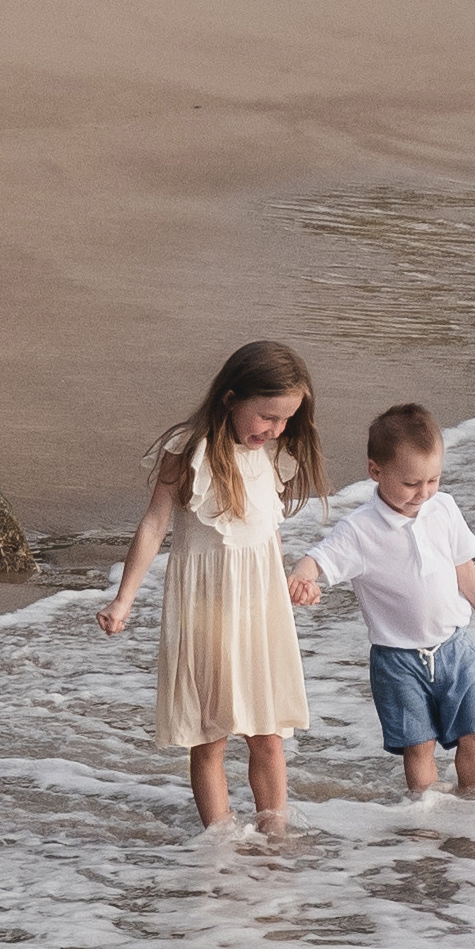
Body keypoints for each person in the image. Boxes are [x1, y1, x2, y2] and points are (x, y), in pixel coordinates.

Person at [96, 340, 328, 829]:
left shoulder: (274, 453)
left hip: (260, 611)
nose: (276, 429)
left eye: (286, 419)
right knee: (209, 738)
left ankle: (274, 836)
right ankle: (219, 844)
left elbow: (268, 532)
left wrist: (291, 582)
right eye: (267, 416)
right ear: (230, 398)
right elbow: (154, 525)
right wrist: (123, 599)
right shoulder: (189, 450)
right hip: (203, 609)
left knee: (268, 735)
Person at [288, 403, 475, 795]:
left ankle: (473, 811)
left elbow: (463, 566)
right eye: (411, 484)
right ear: (376, 472)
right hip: (397, 660)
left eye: (433, 479)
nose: (423, 493)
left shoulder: (443, 508)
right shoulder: (360, 530)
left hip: (456, 648)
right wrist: (303, 578)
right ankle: (426, 815)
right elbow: (316, 559)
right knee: (418, 745)